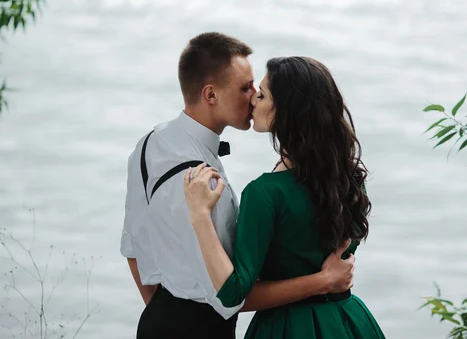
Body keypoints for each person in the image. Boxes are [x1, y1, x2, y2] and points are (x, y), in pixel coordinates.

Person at [120, 34, 356, 339]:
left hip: (161, 320)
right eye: (246, 88)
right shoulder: (203, 186)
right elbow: (230, 296)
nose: (254, 95)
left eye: (257, 87)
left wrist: (163, 316)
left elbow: (133, 248)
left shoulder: (149, 144)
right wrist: (323, 281)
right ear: (211, 95)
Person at [184, 56, 386, 338]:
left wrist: (200, 215)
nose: (253, 99)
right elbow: (340, 267)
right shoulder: (350, 179)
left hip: (287, 329)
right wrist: (324, 280)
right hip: (348, 322)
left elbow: (232, 293)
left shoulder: (264, 193)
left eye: (263, 95)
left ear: (287, 111)